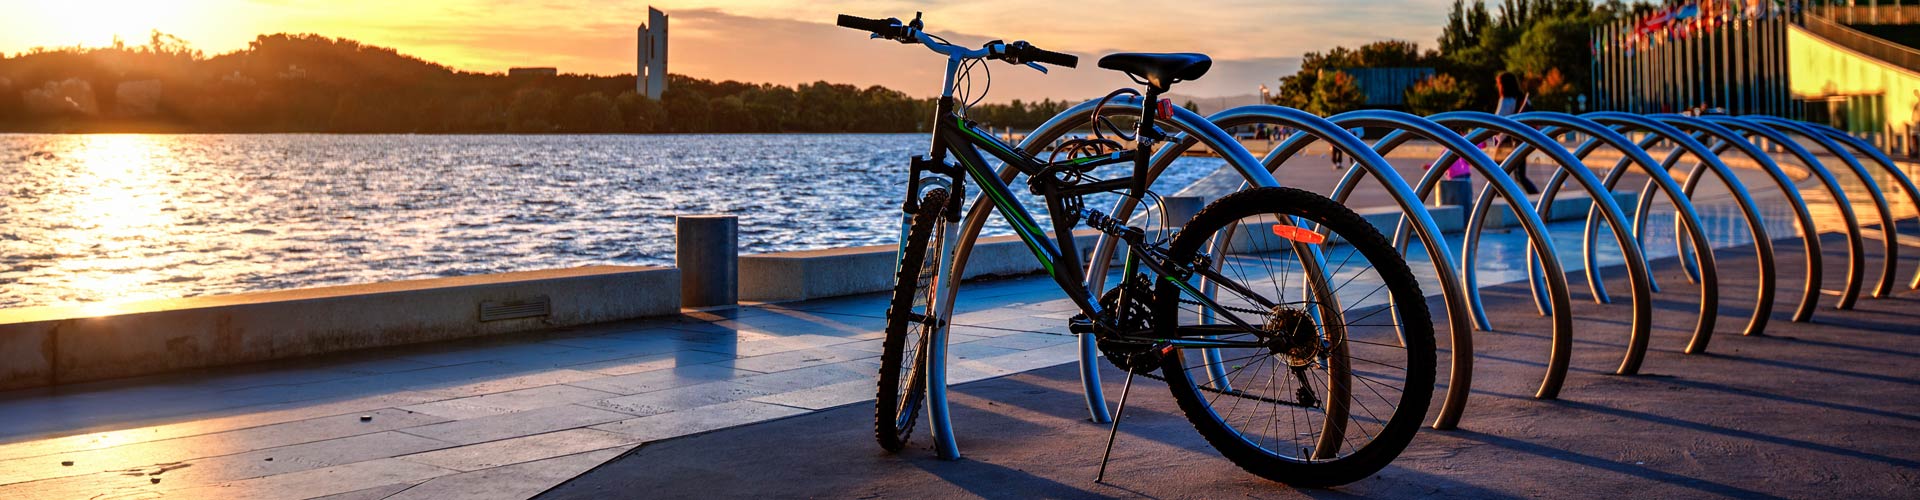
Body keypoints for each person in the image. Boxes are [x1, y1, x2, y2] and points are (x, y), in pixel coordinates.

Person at [1494, 72, 1538, 194]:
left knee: (1497, 174)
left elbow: (1497, 121)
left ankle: (1500, 199)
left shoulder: (1506, 100)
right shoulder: (1522, 99)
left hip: (1507, 143)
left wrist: (1493, 136)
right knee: (1520, 176)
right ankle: (1537, 198)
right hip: (1521, 141)